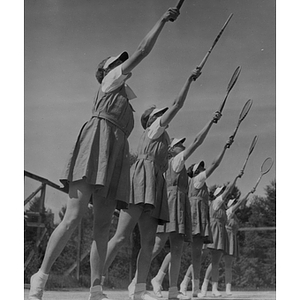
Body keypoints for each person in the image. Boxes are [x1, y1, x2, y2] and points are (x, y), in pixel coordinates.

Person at [28, 6, 181, 300]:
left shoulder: (125, 97)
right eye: (117, 63)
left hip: (116, 154)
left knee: (101, 227)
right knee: (73, 216)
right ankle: (41, 276)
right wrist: (162, 20)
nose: (124, 64)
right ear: (106, 72)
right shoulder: (110, 82)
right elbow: (142, 50)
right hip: (96, 144)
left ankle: (96, 290)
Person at [89, 65, 202, 300]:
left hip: (155, 185)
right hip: (140, 180)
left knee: (149, 242)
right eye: (159, 114)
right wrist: (189, 79)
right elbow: (178, 104)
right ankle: (96, 286)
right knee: (120, 236)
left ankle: (138, 290)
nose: (164, 116)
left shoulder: (162, 136)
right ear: (151, 119)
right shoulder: (154, 130)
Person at [130, 111, 223, 300]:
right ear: (172, 149)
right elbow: (197, 141)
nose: (183, 146)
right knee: (157, 246)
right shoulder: (176, 161)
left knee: (176, 248)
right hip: (170, 206)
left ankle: (172, 291)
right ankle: (136, 283)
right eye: (180, 144)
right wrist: (210, 123)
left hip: (178, 208)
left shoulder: (175, 165)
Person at [179, 138, 234, 297]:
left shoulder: (198, 184)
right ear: (196, 173)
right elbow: (215, 164)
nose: (204, 170)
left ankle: (191, 286)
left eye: (203, 167)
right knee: (189, 252)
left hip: (198, 218)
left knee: (195, 254)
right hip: (195, 218)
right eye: (200, 168)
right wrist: (224, 148)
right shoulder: (197, 181)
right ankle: (179, 283)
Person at [198, 170, 244, 298]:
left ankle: (213, 288)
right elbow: (229, 190)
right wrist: (235, 177)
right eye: (222, 191)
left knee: (215, 262)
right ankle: (192, 284)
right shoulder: (217, 202)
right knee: (200, 259)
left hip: (219, 234)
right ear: (218, 194)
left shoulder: (223, 208)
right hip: (212, 232)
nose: (225, 194)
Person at [222, 187, 256, 295]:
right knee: (215, 262)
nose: (236, 205)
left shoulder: (234, 217)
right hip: (225, 238)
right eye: (234, 204)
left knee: (228, 265)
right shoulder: (228, 212)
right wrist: (249, 192)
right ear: (230, 205)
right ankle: (205, 284)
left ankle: (228, 288)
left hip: (231, 239)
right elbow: (240, 202)